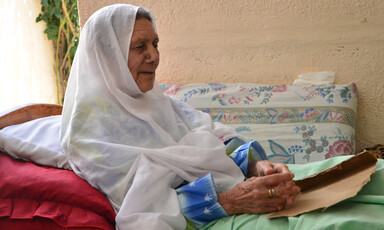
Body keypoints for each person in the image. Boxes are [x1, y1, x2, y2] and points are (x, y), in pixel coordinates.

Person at [60, 4, 300, 230]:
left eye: (155, 44)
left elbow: (211, 136)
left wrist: (256, 166)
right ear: (107, 56)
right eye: (139, 47)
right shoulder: (89, 133)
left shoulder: (155, 102)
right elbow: (142, 211)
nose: (154, 55)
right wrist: (231, 201)